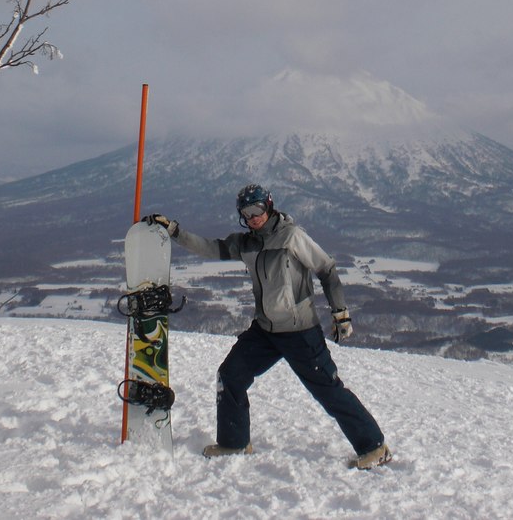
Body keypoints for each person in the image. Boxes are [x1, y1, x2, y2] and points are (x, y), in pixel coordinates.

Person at [149, 183, 391, 469]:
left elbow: (327, 268)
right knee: (231, 376)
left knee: (328, 390)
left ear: (269, 206)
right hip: (265, 331)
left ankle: (374, 447)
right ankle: (234, 442)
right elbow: (211, 248)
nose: (253, 217)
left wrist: (340, 313)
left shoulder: (292, 237)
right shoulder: (246, 243)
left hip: (300, 331)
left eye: (257, 209)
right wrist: (175, 232)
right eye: (246, 213)